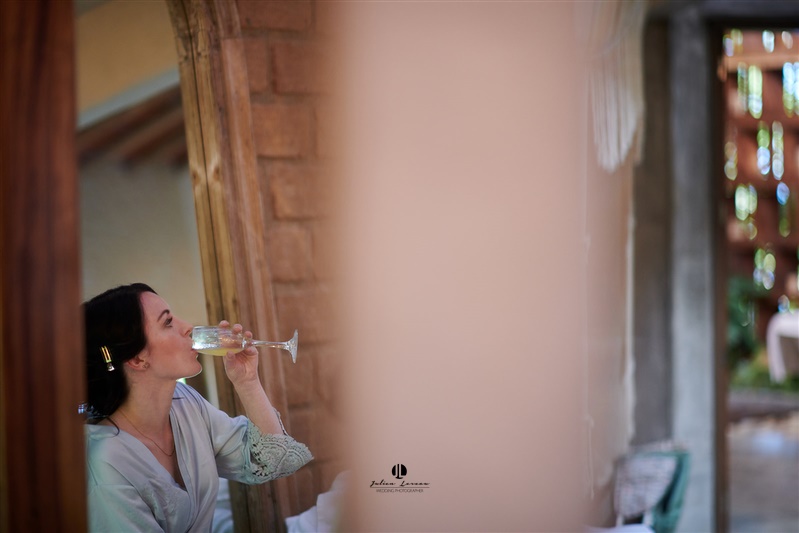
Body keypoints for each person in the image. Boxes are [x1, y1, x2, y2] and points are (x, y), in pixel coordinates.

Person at [83, 283, 313, 532]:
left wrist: (247, 382)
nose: (188, 327)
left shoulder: (186, 403)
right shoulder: (107, 464)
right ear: (138, 358)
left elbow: (273, 460)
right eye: (168, 322)